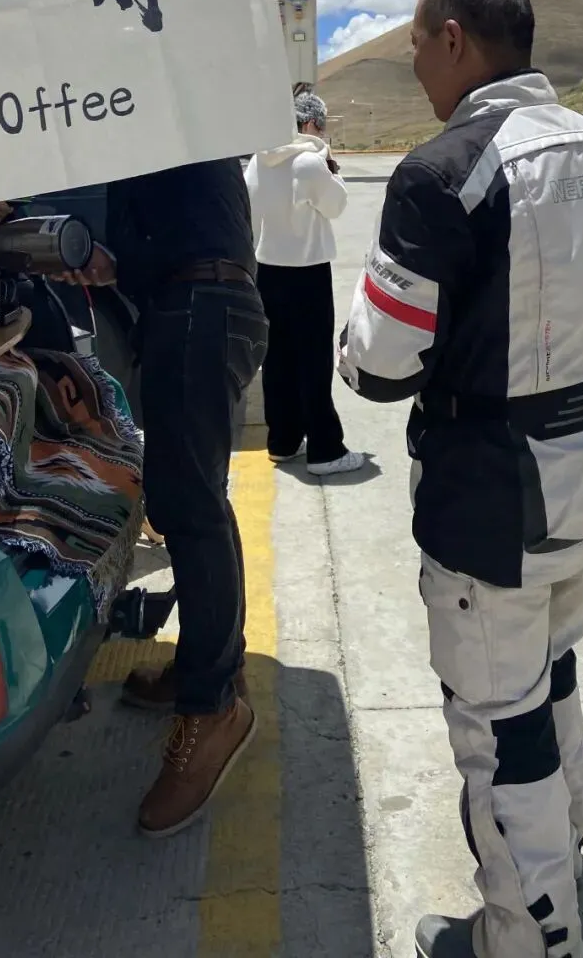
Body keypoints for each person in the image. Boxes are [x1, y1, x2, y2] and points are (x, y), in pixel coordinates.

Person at [338, 0, 583, 958]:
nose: (415, 66)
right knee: (554, 675)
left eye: (417, 46)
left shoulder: (442, 172)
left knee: (497, 724)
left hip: (493, 500)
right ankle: (564, 861)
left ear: (455, 38)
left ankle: (529, 937)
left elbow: (380, 367)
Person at [69, 158, 268, 838]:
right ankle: (211, 668)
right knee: (196, 503)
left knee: (190, 508)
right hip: (205, 305)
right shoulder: (163, 130)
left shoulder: (152, 123)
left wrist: (104, 257)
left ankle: (213, 711)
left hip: (198, 307)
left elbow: (177, 237)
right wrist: (114, 264)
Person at [245, 91, 366, 477]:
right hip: (307, 271)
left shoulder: (259, 160)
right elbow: (336, 205)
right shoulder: (310, 162)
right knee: (313, 361)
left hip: (267, 270)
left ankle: (283, 439)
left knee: (277, 359)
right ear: (311, 124)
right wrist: (333, 171)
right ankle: (325, 449)